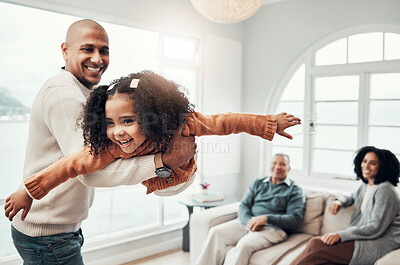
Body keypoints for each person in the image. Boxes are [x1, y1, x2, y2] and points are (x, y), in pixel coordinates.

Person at [5, 19, 196, 265]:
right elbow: (88, 171)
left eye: (104, 50)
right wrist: (163, 162)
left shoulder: (88, 94)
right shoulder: (63, 94)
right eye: (88, 49)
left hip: (52, 231)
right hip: (47, 235)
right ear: (65, 50)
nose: (97, 59)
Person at [5, 70, 302, 221]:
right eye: (109, 123)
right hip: (155, 177)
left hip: (183, 174)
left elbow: (224, 122)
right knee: (91, 163)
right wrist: (28, 191)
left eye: (127, 121)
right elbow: (68, 166)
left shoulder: (182, 123)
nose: (117, 132)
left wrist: (269, 123)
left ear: (153, 115)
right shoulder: (110, 148)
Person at [289, 146, 400, 265]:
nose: (366, 166)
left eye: (373, 163)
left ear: (383, 167)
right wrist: (339, 201)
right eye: (364, 161)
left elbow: (375, 227)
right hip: (367, 239)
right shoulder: (368, 184)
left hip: (380, 243)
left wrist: (341, 235)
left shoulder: (385, 190)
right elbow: (352, 197)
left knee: (317, 243)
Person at [194, 153, 306, 265]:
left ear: (289, 168)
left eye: (282, 164)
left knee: (244, 245)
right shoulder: (258, 183)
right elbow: (244, 205)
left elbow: (295, 219)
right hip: (248, 223)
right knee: (215, 232)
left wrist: (266, 219)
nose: (277, 167)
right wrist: (249, 221)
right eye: (274, 163)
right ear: (270, 165)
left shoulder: (295, 190)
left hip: (272, 229)